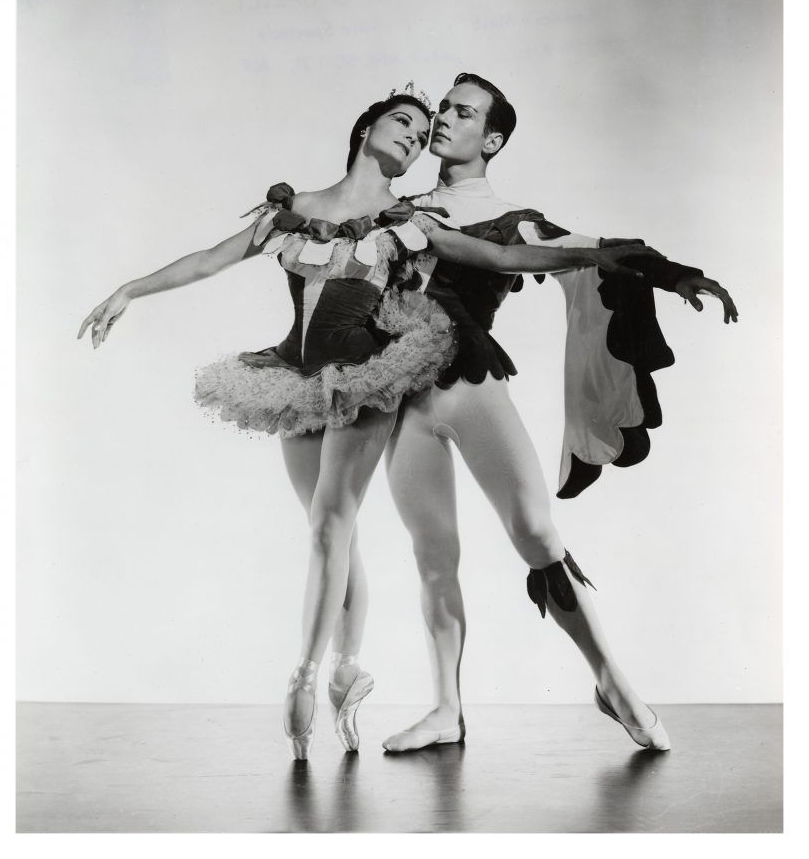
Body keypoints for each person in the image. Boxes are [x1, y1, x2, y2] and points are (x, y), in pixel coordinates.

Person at [77, 83, 661, 761]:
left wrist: (607, 258)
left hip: (407, 377)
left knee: (417, 527)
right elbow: (211, 258)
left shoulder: (426, 220)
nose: (423, 131)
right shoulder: (315, 212)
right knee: (363, 541)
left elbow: (510, 255)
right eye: (409, 121)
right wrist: (128, 289)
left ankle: (310, 676)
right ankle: (376, 681)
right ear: (366, 129)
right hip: (329, 384)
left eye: (433, 126)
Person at [380, 73, 738, 753]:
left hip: (468, 382)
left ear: (491, 138)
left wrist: (670, 273)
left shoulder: (511, 216)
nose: (443, 119)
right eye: (442, 109)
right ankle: (445, 711)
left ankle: (610, 681)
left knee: (537, 535)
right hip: (400, 401)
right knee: (432, 555)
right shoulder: (395, 206)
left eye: (462, 112)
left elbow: (582, 249)